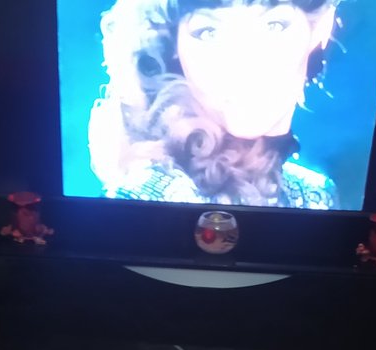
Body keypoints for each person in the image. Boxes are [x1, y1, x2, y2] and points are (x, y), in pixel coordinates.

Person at [89, 0, 342, 208]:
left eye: (274, 25)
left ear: (320, 27)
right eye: (209, 32)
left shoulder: (316, 194)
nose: (241, 62)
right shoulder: (140, 200)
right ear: (174, 44)